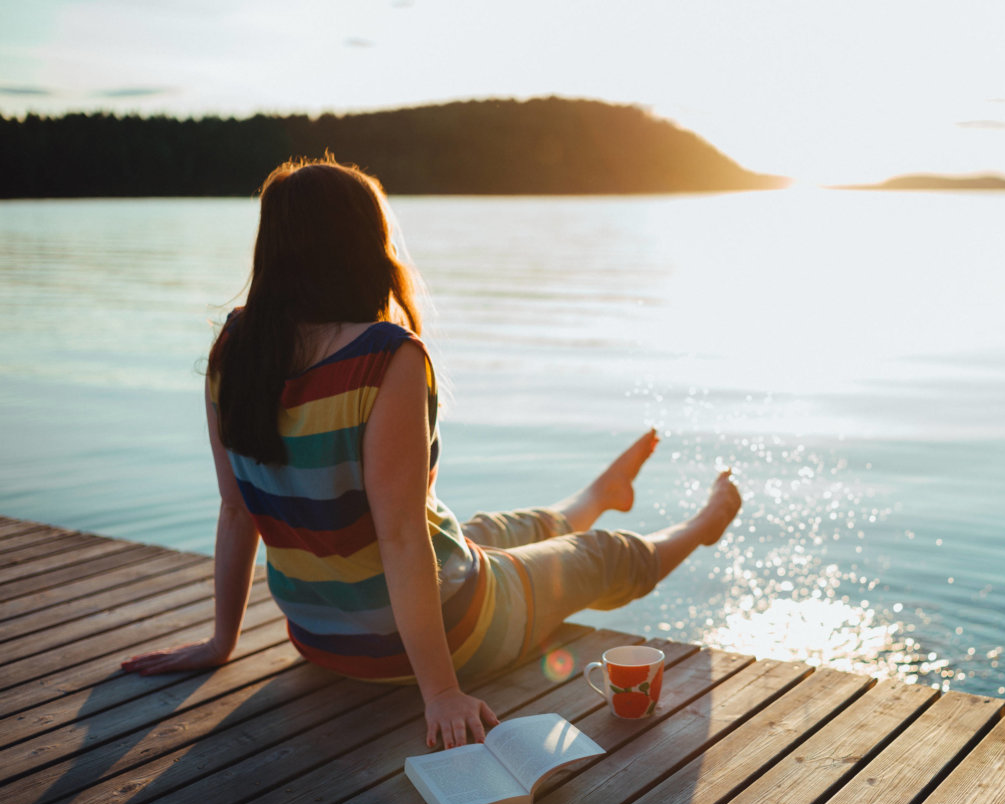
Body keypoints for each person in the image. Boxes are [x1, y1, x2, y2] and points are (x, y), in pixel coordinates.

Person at [121, 157, 741, 751]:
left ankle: (597, 497)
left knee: (495, 531)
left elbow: (235, 512)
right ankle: (702, 524)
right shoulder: (385, 356)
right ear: (364, 243)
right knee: (598, 556)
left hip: (318, 637)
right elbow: (399, 539)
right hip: (448, 634)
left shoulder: (234, 348)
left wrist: (220, 641)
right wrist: (443, 692)